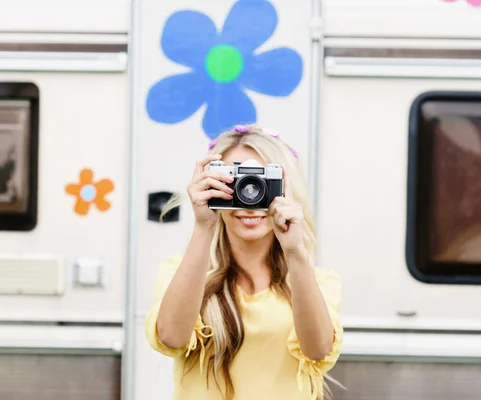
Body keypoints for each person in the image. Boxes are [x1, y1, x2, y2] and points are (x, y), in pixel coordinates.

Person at [144, 124, 344, 400]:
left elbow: (317, 349)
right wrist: (203, 227)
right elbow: (172, 338)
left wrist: (295, 252)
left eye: (262, 182)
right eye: (236, 182)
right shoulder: (180, 270)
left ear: (287, 190)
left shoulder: (318, 281)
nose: (249, 199)